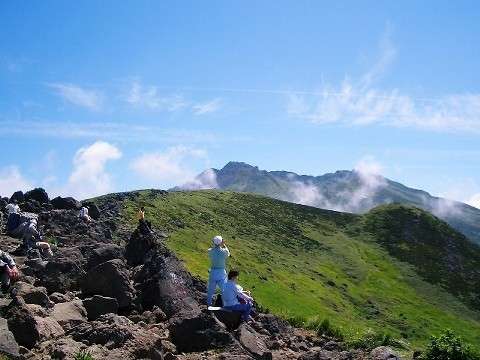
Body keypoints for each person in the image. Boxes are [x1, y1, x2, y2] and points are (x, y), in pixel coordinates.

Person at [207, 235, 230, 306]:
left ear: (214, 242)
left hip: (213, 272)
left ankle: (209, 304)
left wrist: (216, 245)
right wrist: (224, 245)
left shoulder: (210, 251)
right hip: (221, 272)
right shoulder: (224, 252)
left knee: (211, 290)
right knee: (224, 290)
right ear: (221, 242)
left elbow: (211, 250)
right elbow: (228, 253)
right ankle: (226, 304)